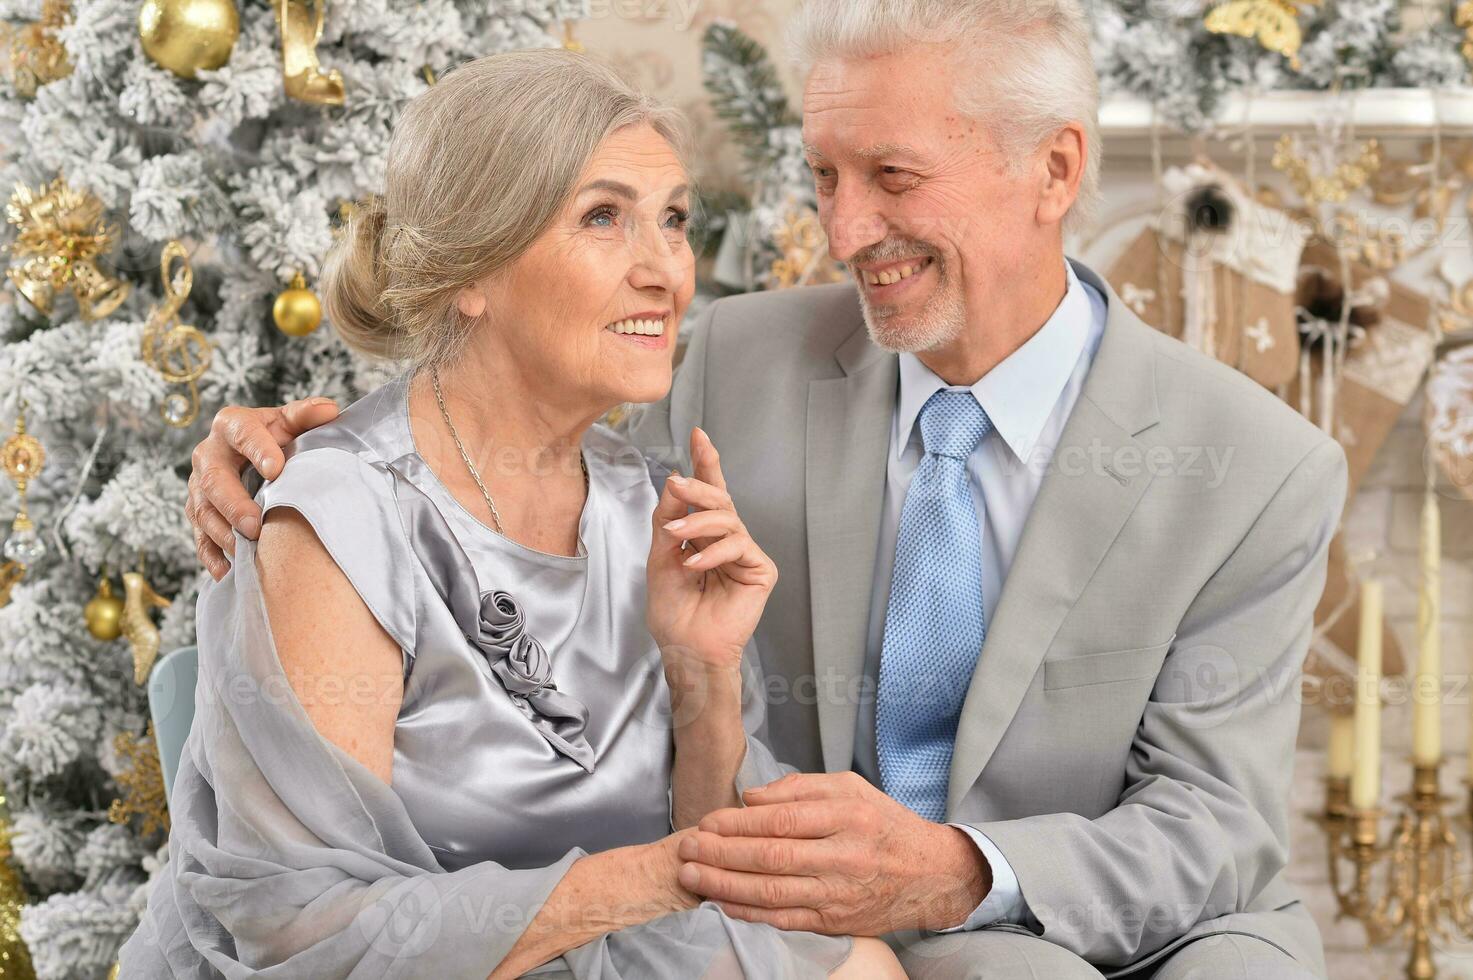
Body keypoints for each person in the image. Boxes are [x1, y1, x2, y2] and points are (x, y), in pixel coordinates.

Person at [186, 1, 1346, 977]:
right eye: (827, 177)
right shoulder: (720, 359)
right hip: (785, 919)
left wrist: (955, 872)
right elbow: (484, 422)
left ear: (1055, 169)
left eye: (892, 176)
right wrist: (276, 444)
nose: (843, 232)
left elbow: (1217, 823)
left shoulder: (1255, 465)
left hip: (1092, 908)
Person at [119, 48, 906, 979]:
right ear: (471, 271)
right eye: (604, 218)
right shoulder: (343, 518)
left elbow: (717, 870)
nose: (665, 270)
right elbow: (309, 928)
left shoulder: (645, 498)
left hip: (601, 951)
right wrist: (651, 880)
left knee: (852, 962)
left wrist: (703, 672)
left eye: (675, 221)